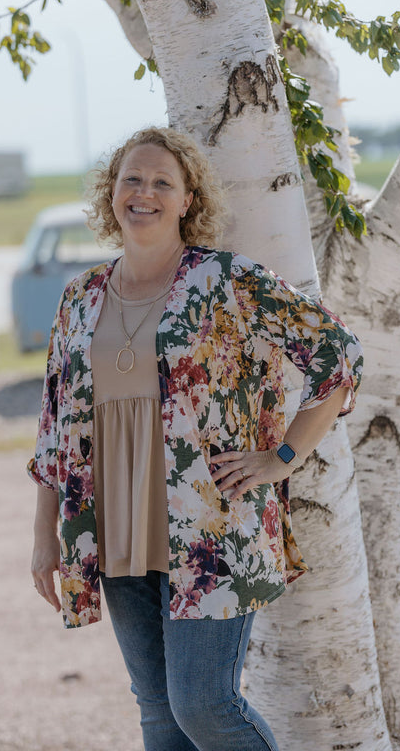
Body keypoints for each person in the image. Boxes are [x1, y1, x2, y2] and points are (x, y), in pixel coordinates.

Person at [28, 126, 363, 751]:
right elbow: (55, 431)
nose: (144, 193)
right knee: (159, 715)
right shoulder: (80, 299)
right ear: (111, 193)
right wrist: (44, 535)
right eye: (132, 179)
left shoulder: (226, 281)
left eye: (162, 182)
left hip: (211, 531)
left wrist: (282, 456)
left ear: (187, 200)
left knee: (205, 706)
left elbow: (337, 359)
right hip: (117, 530)